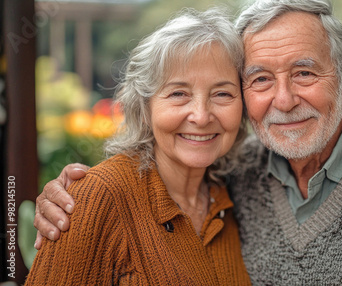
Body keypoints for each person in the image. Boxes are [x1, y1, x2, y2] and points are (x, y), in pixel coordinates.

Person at [34, 0, 342, 284]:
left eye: (304, 72)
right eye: (260, 79)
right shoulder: (239, 171)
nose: (284, 99)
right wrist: (72, 198)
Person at [26, 8, 251, 285]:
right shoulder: (97, 197)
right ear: (145, 107)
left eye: (222, 94)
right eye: (178, 93)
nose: (202, 116)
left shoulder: (234, 195)